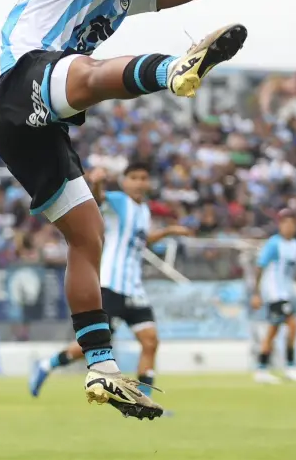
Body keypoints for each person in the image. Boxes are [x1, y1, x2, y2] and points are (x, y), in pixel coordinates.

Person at [0, 0, 296, 419]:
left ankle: (101, 368)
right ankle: (170, 69)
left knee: (88, 236)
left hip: (34, 121)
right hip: (17, 79)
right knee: (83, 73)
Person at [29, 165, 192, 399]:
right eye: (134, 177)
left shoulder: (143, 210)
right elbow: (97, 199)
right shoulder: (118, 200)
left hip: (133, 288)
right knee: (94, 345)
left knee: (150, 341)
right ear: (124, 181)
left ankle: (144, 398)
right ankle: (47, 365)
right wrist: (97, 182)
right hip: (111, 286)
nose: (139, 182)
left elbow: (142, 240)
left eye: (143, 178)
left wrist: (168, 231)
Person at [251, 209, 296, 384]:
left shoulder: (294, 245)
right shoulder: (274, 244)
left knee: (276, 329)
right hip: (274, 293)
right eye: (285, 223)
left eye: (292, 224)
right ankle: (286, 367)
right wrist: (256, 294)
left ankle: (264, 369)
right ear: (280, 225)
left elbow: (295, 271)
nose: (289, 227)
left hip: (286, 293)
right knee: (290, 325)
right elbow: (260, 267)